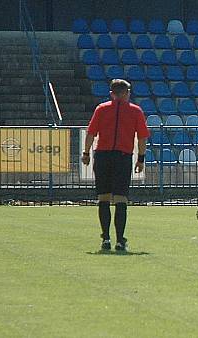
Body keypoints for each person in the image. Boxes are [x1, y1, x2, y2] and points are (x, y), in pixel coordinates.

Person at [82, 79, 150, 252]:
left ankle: (105, 238)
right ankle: (120, 240)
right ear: (127, 93)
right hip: (122, 157)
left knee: (103, 198)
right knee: (121, 198)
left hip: (103, 156)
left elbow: (91, 132)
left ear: (111, 93)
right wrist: (141, 159)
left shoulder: (102, 109)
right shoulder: (135, 111)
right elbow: (142, 137)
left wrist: (86, 153)